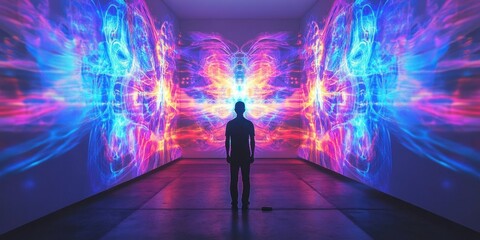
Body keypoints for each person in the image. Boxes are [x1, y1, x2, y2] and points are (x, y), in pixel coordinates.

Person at [225, 101, 255, 210]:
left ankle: (234, 202)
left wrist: (227, 154)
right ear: (244, 109)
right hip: (245, 154)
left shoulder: (230, 124)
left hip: (234, 155)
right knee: (246, 179)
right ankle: (245, 201)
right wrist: (252, 154)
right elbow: (252, 140)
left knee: (233, 179)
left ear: (235, 110)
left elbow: (227, 140)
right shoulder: (249, 124)